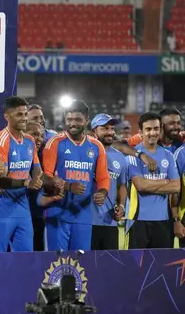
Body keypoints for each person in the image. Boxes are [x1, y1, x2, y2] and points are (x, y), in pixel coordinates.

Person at [42, 101, 109, 251]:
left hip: (83, 215)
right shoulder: (54, 143)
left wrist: (102, 192)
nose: (72, 124)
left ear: (86, 120)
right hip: (57, 214)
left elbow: (103, 177)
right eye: (69, 119)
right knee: (56, 262)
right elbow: (45, 177)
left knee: (81, 263)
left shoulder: (96, 146)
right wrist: (67, 186)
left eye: (77, 120)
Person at [0, 96, 42, 252]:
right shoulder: (0, 140)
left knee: (26, 255)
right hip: (0, 206)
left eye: (25, 114)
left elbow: (36, 167)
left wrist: (36, 178)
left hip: (22, 206)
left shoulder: (29, 140)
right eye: (19, 115)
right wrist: (25, 183)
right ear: (7, 116)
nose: (24, 118)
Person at [126, 112, 180, 249]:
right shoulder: (134, 154)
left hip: (164, 221)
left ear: (160, 130)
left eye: (156, 128)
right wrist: (166, 181)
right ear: (141, 132)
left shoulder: (168, 155)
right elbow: (141, 186)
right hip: (137, 220)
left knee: (162, 267)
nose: (153, 133)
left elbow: (176, 187)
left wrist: (152, 185)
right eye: (148, 129)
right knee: (136, 268)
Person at [90, 114, 127, 250]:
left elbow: (122, 185)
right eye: (104, 128)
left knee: (109, 267)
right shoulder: (85, 153)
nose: (110, 132)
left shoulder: (120, 157)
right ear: (94, 131)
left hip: (109, 222)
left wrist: (122, 206)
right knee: (86, 267)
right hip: (87, 222)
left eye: (112, 128)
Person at [25, 121, 47, 251]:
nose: (39, 139)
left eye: (41, 136)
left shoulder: (44, 157)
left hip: (37, 214)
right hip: (14, 213)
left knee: (37, 253)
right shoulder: (12, 153)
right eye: (35, 134)